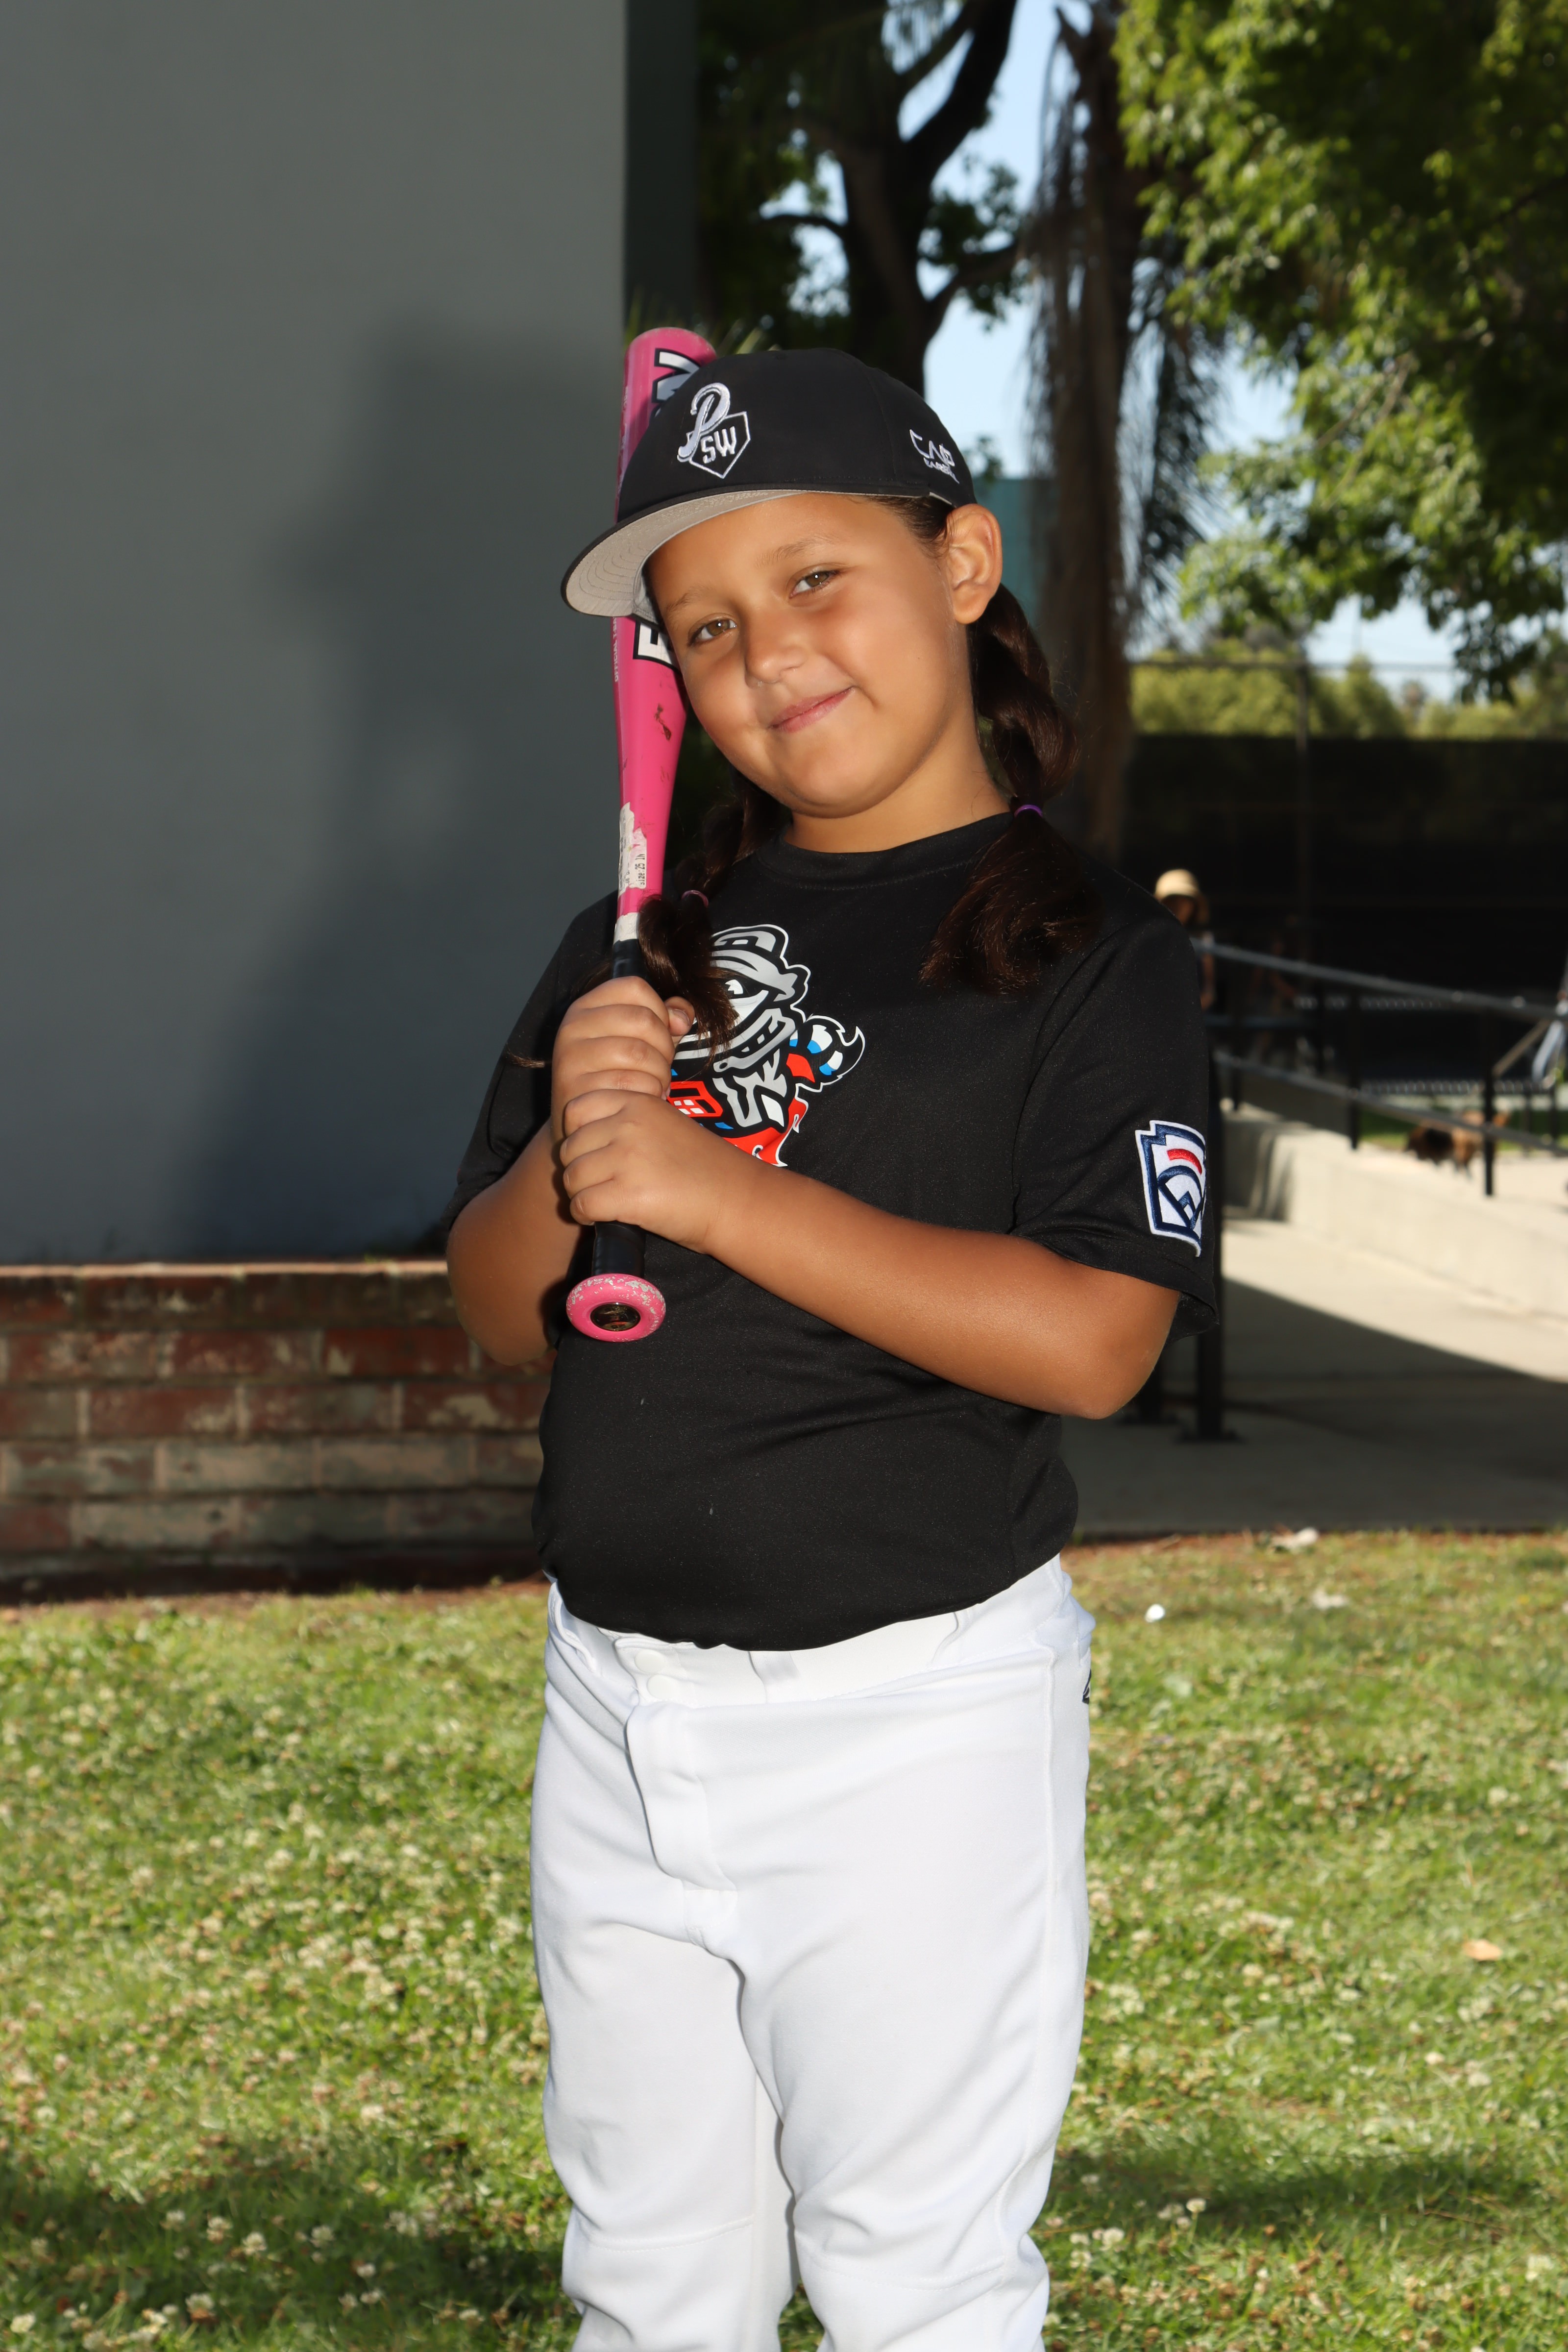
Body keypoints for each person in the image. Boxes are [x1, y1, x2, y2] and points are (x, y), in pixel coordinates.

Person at [444, 348, 1216, 2352]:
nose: (765, 652)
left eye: (812, 578)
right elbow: (496, 1312)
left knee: (912, 2278)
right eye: (702, 624)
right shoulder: (634, 944)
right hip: (616, 1702)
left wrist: (717, 1193)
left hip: (910, 1718)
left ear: (959, 566)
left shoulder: (1092, 952)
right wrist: (573, 1145)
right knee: (650, 2274)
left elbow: (1095, 1342)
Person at [1153, 865, 1217, 1009]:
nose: (1179, 906)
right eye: (1173, 899)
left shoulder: (1204, 938)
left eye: (1186, 899)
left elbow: (1209, 989)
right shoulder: (1149, 935)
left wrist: (1193, 1010)